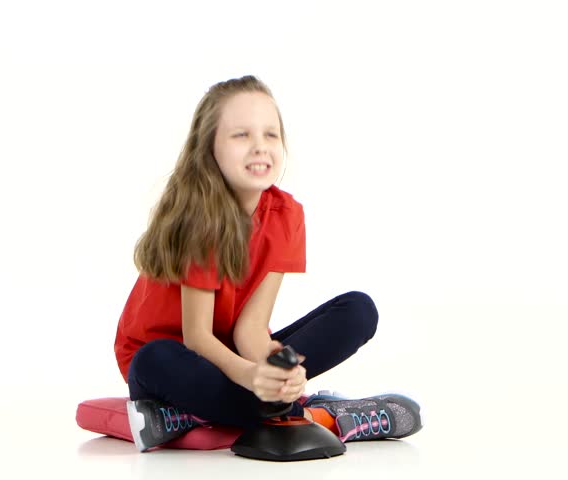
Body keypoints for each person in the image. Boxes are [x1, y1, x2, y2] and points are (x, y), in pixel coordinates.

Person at [113, 75, 422, 452]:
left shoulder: (286, 214)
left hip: (233, 354)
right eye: (241, 135)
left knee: (358, 310)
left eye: (270, 135)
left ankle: (237, 407)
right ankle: (321, 416)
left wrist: (277, 368)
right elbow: (196, 338)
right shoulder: (200, 220)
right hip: (174, 359)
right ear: (209, 147)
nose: (259, 147)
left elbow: (251, 329)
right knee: (154, 358)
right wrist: (250, 375)